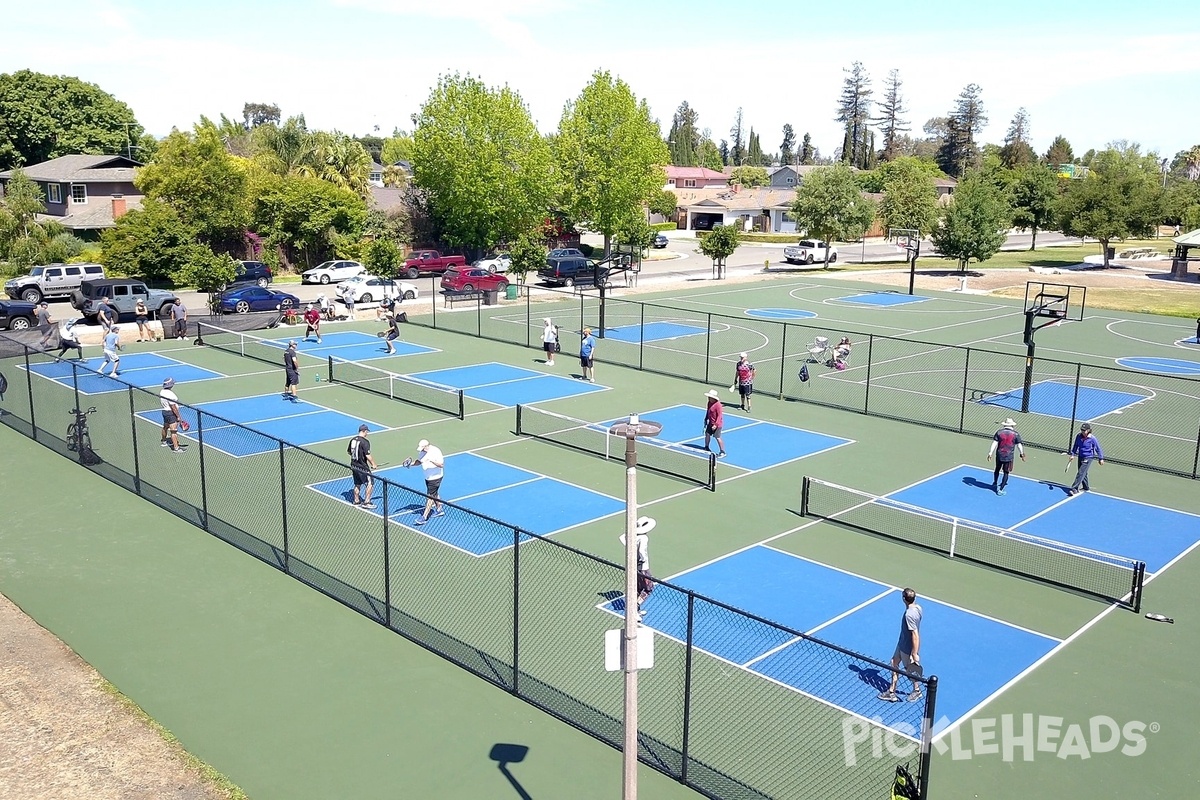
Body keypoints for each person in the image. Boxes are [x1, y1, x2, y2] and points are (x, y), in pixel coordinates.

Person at [879, 588, 923, 703]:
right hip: (902, 642)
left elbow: (915, 635)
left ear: (904, 599)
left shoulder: (909, 615)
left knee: (910, 669)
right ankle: (892, 691)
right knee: (894, 662)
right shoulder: (918, 608)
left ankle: (917, 690)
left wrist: (914, 653)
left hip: (906, 646)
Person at [618, 516, 656, 621]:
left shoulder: (634, 537)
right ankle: (634, 608)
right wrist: (642, 559)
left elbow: (622, 537)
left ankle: (635, 609)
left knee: (638, 588)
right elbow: (642, 551)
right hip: (643, 567)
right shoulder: (643, 538)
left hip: (634, 566)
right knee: (649, 588)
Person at [405, 439, 445, 525]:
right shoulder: (422, 452)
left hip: (436, 477)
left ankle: (424, 517)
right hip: (428, 477)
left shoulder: (436, 451)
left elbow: (441, 465)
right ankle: (439, 509)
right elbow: (419, 461)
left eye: (423, 448)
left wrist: (431, 461)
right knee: (434, 493)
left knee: (430, 497)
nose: (422, 450)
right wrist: (410, 464)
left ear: (427, 446)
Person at [986, 417, 1026, 496]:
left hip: (999, 455)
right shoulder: (1016, 434)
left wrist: (990, 453)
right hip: (1008, 456)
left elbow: (994, 443)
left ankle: (995, 482)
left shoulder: (999, 432)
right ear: (1012, 425)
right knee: (1006, 472)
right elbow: (1019, 445)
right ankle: (1001, 489)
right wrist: (1022, 453)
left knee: (997, 469)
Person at [1067, 422, 1104, 495]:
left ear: (1088, 430)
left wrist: (1101, 458)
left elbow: (1098, 448)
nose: (1082, 431)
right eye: (1082, 430)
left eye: (1084, 430)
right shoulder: (1078, 436)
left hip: (1088, 457)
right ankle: (1085, 487)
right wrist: (1072, 454)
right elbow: (1075, 446)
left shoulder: (1092, 438)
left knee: (1081, 472)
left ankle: (1074, 488)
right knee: (1083, 472)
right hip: (1080, 456)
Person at [347, 424, 378, 509]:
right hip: (363, 466)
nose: (367, 433)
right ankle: (367, 502)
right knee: (370, 483)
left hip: (354, 465)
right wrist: (373, 464)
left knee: (357, 483)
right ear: (364, 431)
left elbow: (349, 452)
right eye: (367, 432)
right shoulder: (365, 442)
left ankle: (356, 500)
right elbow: (368, 455)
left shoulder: (353, 440)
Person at [159, 377, 187, 453]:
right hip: (171, 414)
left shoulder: (162, 392)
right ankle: (176, 448)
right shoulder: (171, 395)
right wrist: (178, 417)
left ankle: (164, 441)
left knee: (165, 427)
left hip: (165, 411)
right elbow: (173, 407)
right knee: (173, 431)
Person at [702, 389, 727, 458]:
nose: (708, 398)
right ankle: (706, 447)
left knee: (717, 437)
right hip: (710, 423)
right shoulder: (709, 403)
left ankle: (722, 451)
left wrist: (715, 425)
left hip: (717, 425)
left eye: (710, 397)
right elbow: (708, 411)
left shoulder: (718, 405)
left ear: (713, 398)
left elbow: (719, 416)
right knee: (707, 434)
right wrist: (706, 418)